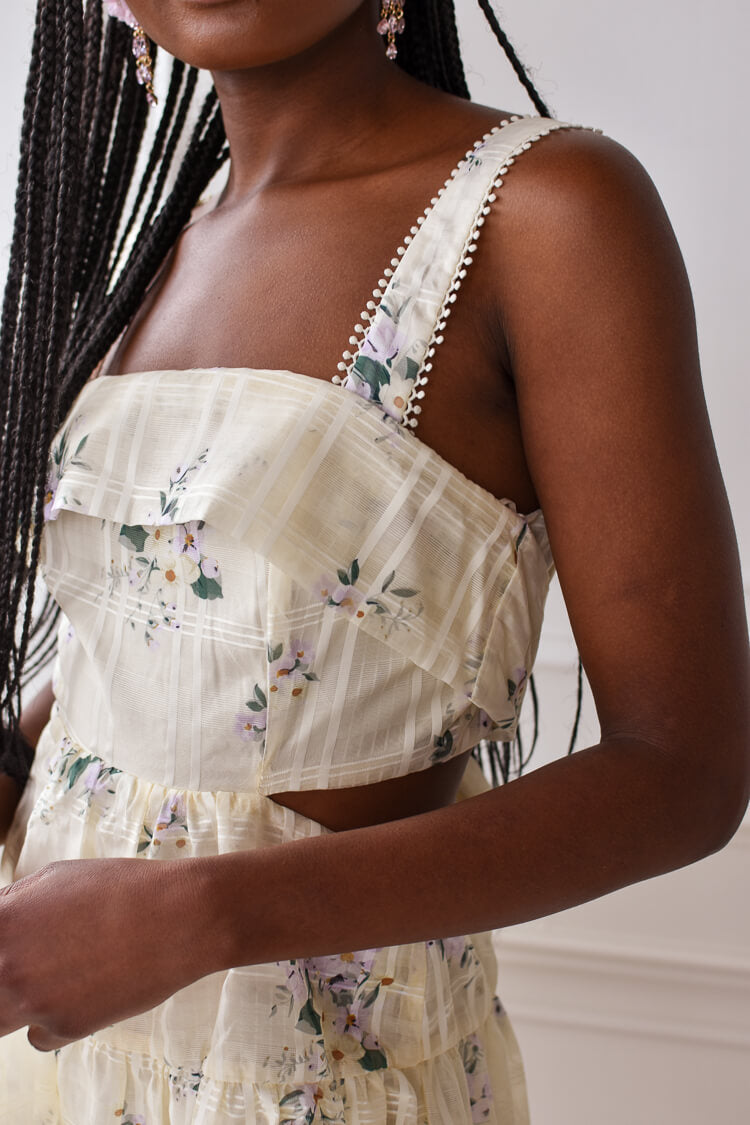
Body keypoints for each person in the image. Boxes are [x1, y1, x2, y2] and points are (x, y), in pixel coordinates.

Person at [0, 0, 747, 1121]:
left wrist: (203, 914)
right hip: (69, 1057)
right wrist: (16, 756)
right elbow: (181, 628)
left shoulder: (547, 214)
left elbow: (683, 775)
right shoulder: (156, 241)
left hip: (318, 1085)